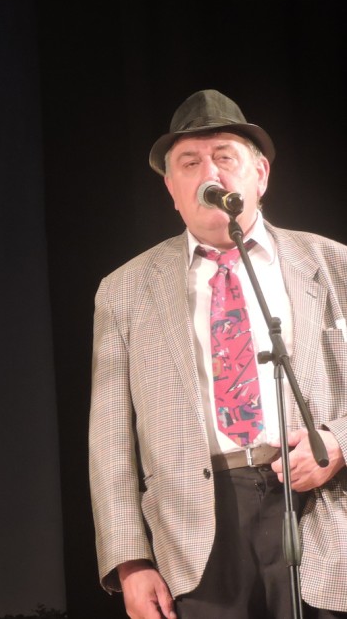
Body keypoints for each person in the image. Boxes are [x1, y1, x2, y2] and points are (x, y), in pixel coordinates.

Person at [89, 89, 347, 619]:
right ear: (172, 189)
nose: (210, 172)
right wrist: (130, 561)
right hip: (191, 529)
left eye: (224, 157)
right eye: (190, 162)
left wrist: (339, 442)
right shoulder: (124, 290)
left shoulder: (334, 264)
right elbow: (109, 440)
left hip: (320, 505)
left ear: (261, 175)